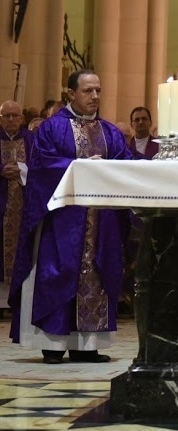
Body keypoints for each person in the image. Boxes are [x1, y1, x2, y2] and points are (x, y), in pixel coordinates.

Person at [8, 69, 133, 364]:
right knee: (59, 274)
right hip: (63, 223)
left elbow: (125, 165)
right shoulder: (52, 128)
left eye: (98, 91)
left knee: (96, 277)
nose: (95, 96)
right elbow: (41, 166)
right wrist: (79, 165)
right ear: (71, 94)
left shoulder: (110, 132)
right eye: (88, 91)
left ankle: (85, 347)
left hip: (100, 223)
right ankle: (53, 344)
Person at [0, 101, 32, 318]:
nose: (11, 119)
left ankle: (19, 300)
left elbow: (41, 166)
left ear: (22, 118)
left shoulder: (32, 140)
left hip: (24, 205)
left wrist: (21, 170)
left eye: (15, 115)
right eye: (6, 116)